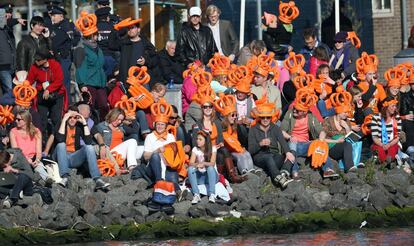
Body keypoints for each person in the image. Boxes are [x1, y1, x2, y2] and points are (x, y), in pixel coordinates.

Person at [193, 90, 247, 183]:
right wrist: (211, 147)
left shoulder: (217, 122)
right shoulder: (197, 124)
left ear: (213, 108)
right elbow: (195, 143)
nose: (208, 109)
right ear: (202, 109)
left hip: (216, 149)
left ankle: (229, 176)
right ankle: (225, 177)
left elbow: (220, 139)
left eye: (210, 106)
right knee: (221, 153)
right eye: (205, 107)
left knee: (223, 151)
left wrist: (220, 144)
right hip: (204, 151)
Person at [55, 110, 110, 189]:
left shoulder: (79, 127)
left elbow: (88, 142)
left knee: (89, 147)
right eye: (70, 117)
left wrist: (84, 123)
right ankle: (65, 177)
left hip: (73, 157)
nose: (72, 119)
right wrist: (64, 120)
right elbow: (59, 139)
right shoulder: (60, 124)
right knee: (61, 145)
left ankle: (97, 179)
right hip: (61, 156)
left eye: (75, 117)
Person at [248, 103, 295, 188]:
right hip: (259, 157)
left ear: (271, 118)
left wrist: (288, 152)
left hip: (274, 155)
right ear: (259, 118)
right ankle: (277, 177)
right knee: (268, 157)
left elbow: (283, 141)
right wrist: (260, 144)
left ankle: (284, 173)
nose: (265, 119)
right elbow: (250, 150)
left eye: (268, 117)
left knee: (292, 153)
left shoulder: (275, 128)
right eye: (263, 117)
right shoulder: (253, 129)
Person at [73, 11, 108, 121]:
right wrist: (82, 84)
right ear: (92, 35)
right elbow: (80, 67)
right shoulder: (81, 48)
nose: (98, 36)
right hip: (88, 82)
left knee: (104, 106)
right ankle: (90, 129)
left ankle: (101, 126)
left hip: (100, 82)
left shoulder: (97, 47)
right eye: (96, 34)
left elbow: (101, 64)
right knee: (89, 107)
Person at [26, 48, 67, 138]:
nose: (36, 61)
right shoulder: (34, 67)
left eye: (39, 60)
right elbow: (30, 79)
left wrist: (49, 89)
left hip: (56, 95)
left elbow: (59, 80)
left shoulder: (55, 65)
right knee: (41, 119)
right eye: (35, 59)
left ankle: (57, 141)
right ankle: (42, 142)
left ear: (45, 59)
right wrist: (25, 85)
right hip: (42, 95)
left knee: (56, 119)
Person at [109, 17, 158, 86]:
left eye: (132, 28)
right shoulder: (124, 43)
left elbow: (155, 59)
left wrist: (145, 61)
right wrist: (115, 29)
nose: (130, 30)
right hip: (125, 80)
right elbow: (111, 45)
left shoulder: (145, 43)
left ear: (138, 29)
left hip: (140, 81)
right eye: (128, 28)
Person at [216, 94, 256, 175]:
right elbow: (229, 141)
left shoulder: (233, 126)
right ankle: (244, 171)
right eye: (233, 115)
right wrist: (239, 149)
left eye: (236, 115)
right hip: (226, 151)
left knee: (247, 154)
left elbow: (235, 139)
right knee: (240, 156)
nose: (235, 117)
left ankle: (251, 169)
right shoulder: (222, 127)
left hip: (234, 148)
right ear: (226, 116)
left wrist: (241, 148)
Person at [9, 109, 53, 183]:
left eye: (18, 119)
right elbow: (16, 150)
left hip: (33, 158)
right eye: (16, 119)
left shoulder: (36, 131)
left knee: (38, 166)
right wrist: (28, 160)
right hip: (20, 158)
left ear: (26, 121)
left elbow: (39, 151)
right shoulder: (13, 132)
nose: (16, 121)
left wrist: (37, 159)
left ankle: (47, 178)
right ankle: (31, 180)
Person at [49, 5, 81, 103]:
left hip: (63, 57)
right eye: (52, 15)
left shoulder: (66, 25)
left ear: (61, 16)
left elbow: (76, 36)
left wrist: (69, 46)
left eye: (55, 15)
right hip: (56, 57)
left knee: (62, 82)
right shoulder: (56, 26)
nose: (52, 17)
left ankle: (65, 104)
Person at [188, 130, 218, 204]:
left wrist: (203, 163)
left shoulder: (213, 148)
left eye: (200, 139)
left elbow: (212, 163)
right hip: (201, 177)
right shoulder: (195, 149)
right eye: (197, 139)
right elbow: (191, 163)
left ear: (206, 140)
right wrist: (196, 164)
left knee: (210, 168)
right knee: (190, 169)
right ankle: (196, 194)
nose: (197, 141)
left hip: (211, 176)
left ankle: (212, 194)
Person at [370, 97, 402, 164]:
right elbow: (374, 137)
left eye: (395, 106)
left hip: (392, 143)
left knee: (393, 149)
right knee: (380, 150)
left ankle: (388, 160)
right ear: (386, 107)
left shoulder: (397, 118)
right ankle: (386, 162)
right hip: (379, 143)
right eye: (392, 106)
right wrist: (382, 145)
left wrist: (389, 144)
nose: (395, 108)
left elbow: (398, 137)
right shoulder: (376, 118)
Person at [95, 6, 117, 76]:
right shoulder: (112, 27)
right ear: (107, 17)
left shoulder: (95, 28)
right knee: (110, 78)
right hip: (110, 56)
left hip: (98, 57)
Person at [0, 7, 16, 96]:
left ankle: (7, 109)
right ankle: (8, 109)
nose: (8, 18)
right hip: (3, 66)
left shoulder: (6, 30)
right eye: (5, 16)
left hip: (11, 65)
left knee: (11, 90)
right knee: (9, 91)